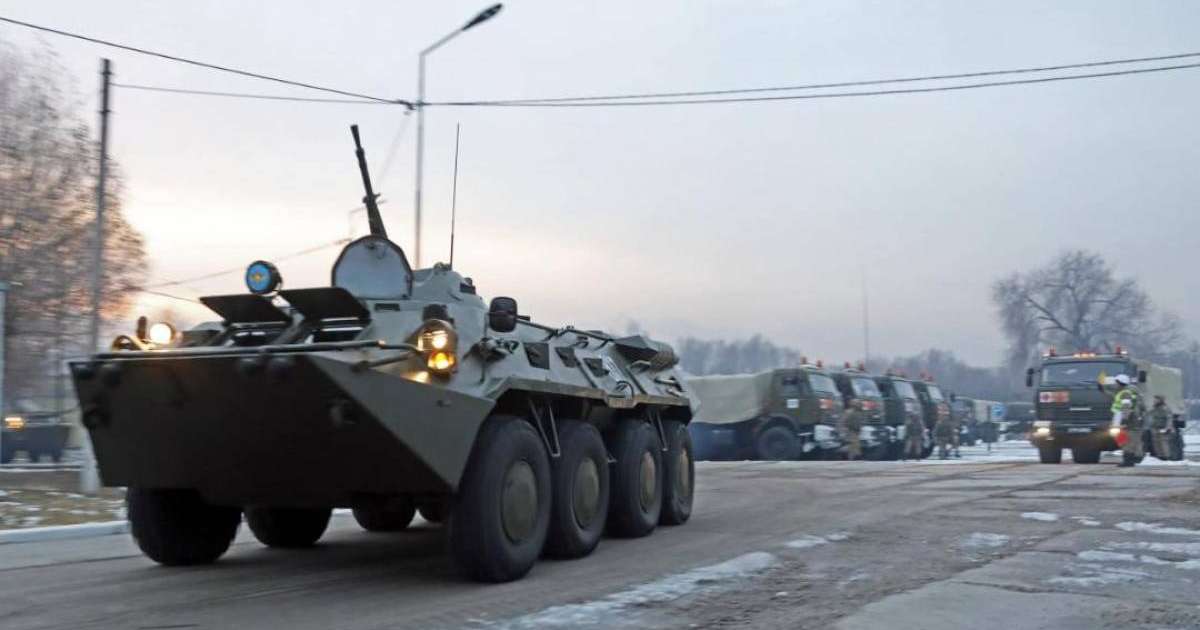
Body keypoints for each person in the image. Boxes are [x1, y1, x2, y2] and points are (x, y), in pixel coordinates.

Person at [1109, 374, 1143, 467]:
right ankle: (1130, 459)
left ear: (1120, 383)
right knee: (1124, 439)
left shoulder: (1125, 393)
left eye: (1116, 382)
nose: (1115, 384)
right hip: (1125, 418)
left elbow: (1126, 408)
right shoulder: (1124, 391)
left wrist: (1124, 420)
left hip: (1127, 420)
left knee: (1127, 440)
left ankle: (1128, 460)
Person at [1148, 395, 1177, 461]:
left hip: (1162, 428)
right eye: (1154, 400)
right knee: (1156, 443)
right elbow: (1150, 414)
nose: (1154, 401)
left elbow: (1169, 418)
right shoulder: (1155, 408)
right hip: (1155, 428)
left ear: (1160, 400)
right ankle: (1160, 456)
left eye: (1156, 399)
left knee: (1163, 442)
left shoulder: (1165, 408)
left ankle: (1166, 457)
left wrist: (1167, 428)